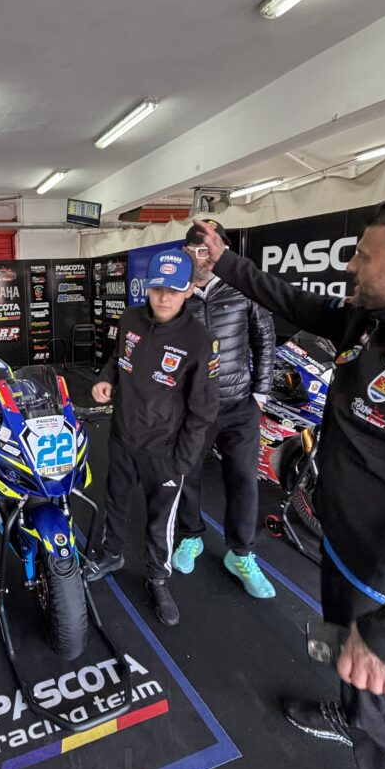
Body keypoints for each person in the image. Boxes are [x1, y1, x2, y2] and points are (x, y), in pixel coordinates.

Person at [193, 199, 385, 769]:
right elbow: (288, 298)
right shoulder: (369, 320)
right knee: (351, 672)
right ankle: (350, 712)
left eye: (364, 256)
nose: (351, 266)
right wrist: (224, 261)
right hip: (345, 550)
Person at [88, 248, 219, 626]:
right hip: (122, 436)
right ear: (147, 287)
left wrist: (182, 461)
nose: (164, 297)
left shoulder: (199, 340)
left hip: (164, 450)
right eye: (158, 288)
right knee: (115, 501)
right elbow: (117, 360)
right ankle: (111, 554)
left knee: (160, 521)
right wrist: (105, 379)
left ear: (190, 290)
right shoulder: (130, 318)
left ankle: (158, 578)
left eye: (174, 290)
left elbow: (204, 410)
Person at [172, 220, 277, 599]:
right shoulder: (175, 293)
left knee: (243, 479)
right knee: (186, 475)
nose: (200, 258)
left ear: (222, 252)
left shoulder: (244, 289)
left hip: (239, 404)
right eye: (193, 251)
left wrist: (260, 394)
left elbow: (265, 340)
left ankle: (241, 554)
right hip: (191, 407)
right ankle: (190, 537)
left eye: (207, 250)